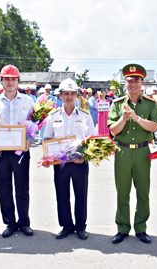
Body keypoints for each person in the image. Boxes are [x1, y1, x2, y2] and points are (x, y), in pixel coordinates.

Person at [108, 63, 157, 244]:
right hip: (122, 151)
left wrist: (137, 118)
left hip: (142, 151)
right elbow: (113, 131)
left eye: (136, 80)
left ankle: (141, 228)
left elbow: (154, 127)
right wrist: (124, 118)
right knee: (122, 192)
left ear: (142, 82)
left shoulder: (150, 104)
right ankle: (122, 228)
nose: (133, 84)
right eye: (129, 80)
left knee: (143, 192)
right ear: (125, 82)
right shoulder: (117, 104)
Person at [0, 64, 35, 238]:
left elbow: (34, 124)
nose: (10, 82)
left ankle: (24, 223)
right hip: (0, 152)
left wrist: (29, 140)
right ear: (2, 81)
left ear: (18, 81)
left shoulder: (28, 101)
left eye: (13, 79)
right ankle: (10, 223)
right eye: (7, 79)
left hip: (21, 151)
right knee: (4, 188)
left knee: (22, 188)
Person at [42, 78, 95, 240]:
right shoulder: (53, 116)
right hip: (60, 164)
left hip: (80, 162)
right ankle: (66, 226)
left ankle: (80, 227)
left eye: (72, 94)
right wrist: (47, 157)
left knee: (81, 195)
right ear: (60, 96)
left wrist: (84, 156)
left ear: (77, 96)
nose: (69, 97)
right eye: (66, 94)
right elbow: (47, 138)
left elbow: (92, 139)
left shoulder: (85, 116)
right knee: (62, 194)